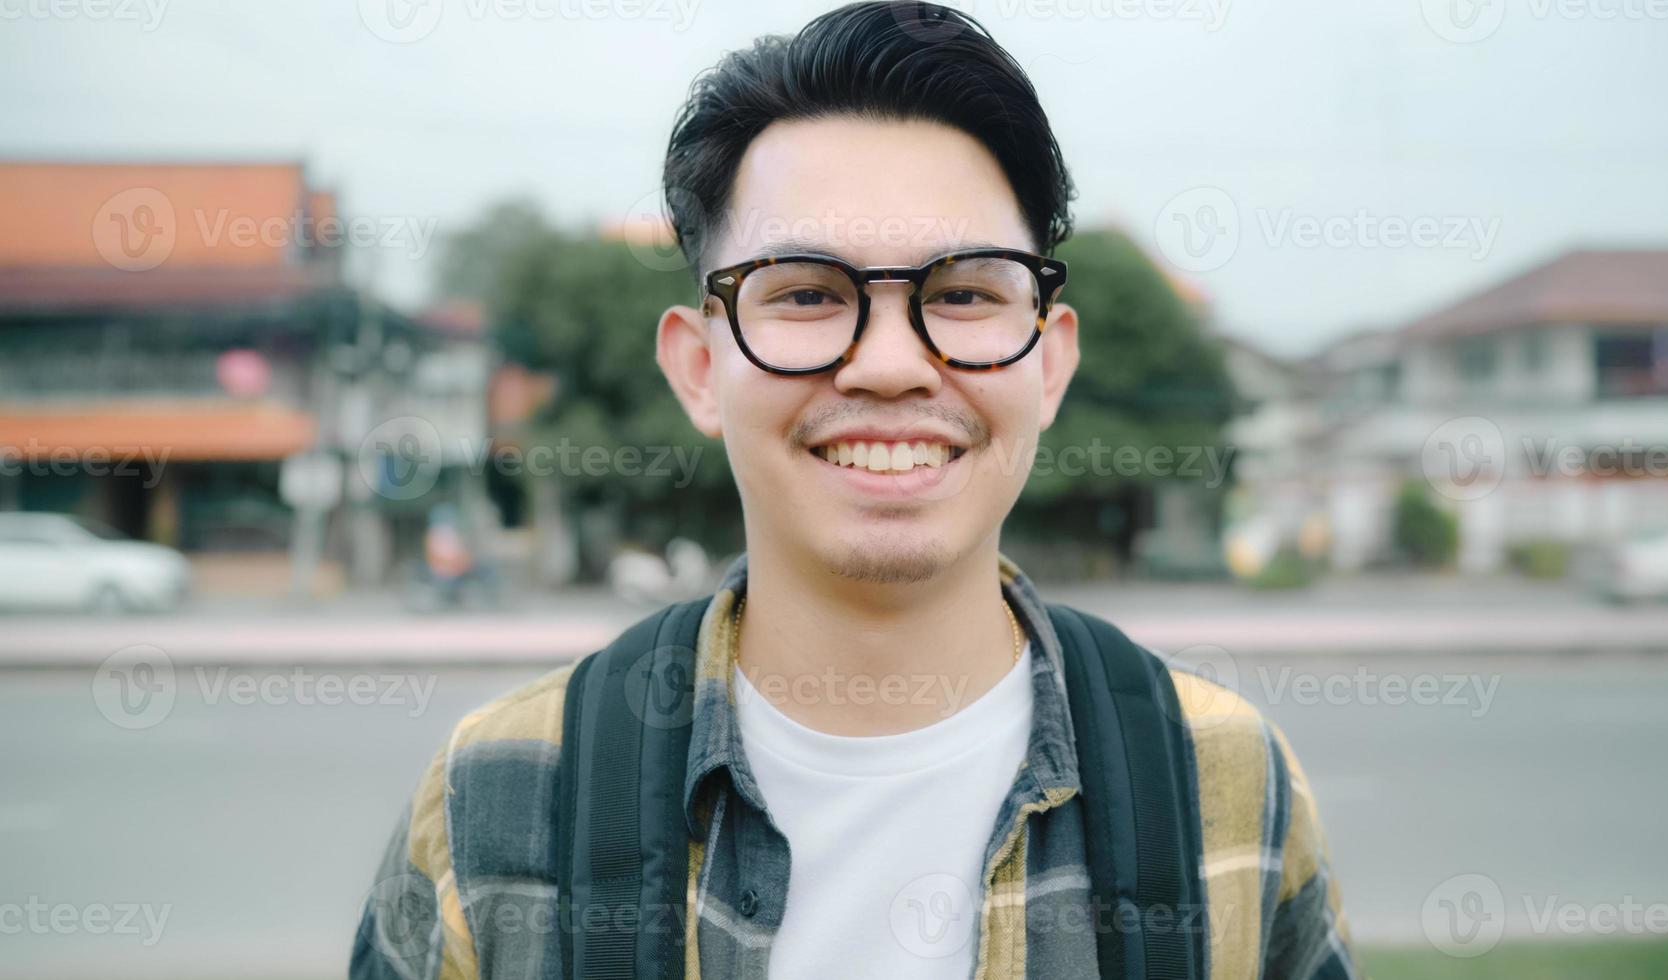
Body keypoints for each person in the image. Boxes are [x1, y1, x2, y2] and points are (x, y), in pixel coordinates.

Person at [350, 4, 1356, 978]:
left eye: (963, 292)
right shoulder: (498, 800)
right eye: (806, 293)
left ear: (1048, 365)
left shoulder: (1219, 784)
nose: (886, 365)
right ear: (697, 366)